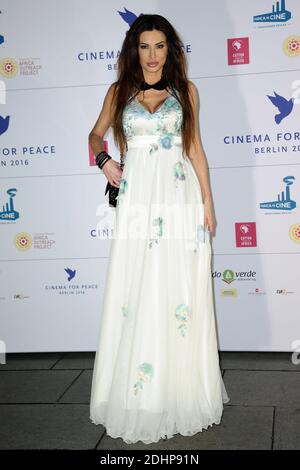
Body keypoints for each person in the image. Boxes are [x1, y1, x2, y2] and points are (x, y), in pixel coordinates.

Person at [89, 13, 230, 445]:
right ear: (135, 49)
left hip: (179, 197)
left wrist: (207, 202)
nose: (152, 56)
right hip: (136, 200)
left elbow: (196, 150)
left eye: (160, 46)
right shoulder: (119, 92)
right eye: (144, 46)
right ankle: (137, 391)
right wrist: (105, 160)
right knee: (136, 287)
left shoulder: (187, 92)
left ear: (171, 50)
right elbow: (96, 136)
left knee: (177, 292)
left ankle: (178, 389)